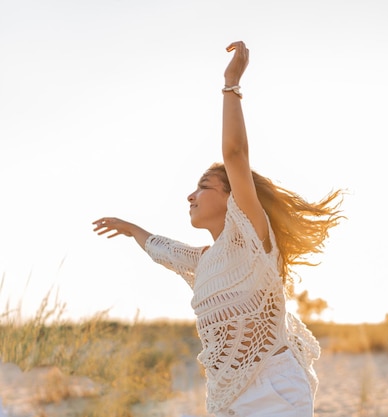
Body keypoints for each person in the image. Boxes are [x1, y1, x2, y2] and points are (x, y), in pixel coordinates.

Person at [92, 41, 343, 417]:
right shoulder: (203, 262)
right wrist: (132, 229)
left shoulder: (252, 239)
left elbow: (235, 155)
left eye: (204, 187)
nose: (190, 195)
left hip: (274, 388)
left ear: (232, 198)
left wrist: (231, 84)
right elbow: (160, 248)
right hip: (228, 395)